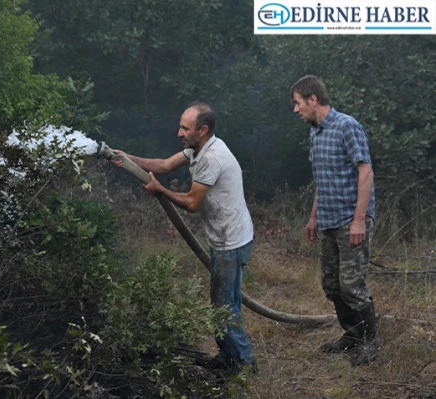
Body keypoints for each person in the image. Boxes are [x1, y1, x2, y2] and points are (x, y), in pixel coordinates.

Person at [110, 102, 256, 373]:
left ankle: (243, 363)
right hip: (228, 236)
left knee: (225, 304)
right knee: (223, 301)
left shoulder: (211, 159)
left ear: (203, 129)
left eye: (185, 128)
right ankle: (228, 355)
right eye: (180, 126)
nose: (179, 132)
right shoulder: (198, 148)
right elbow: (164, 165)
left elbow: (191, 203)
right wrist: (126, 158)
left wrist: (161, 191)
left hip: (231, 241)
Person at [290, 75, 379, 366]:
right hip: (327, 219)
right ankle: (352, 335)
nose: (295, 109)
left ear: (313, 99)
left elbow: (366, 174)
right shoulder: (315, 132)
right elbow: (321, 179)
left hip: (349, 220)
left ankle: (370, 343)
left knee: (351, 285)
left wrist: (359, 221)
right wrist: (313, 217)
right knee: (331, 284)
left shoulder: (347, 126)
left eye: (297, 103)